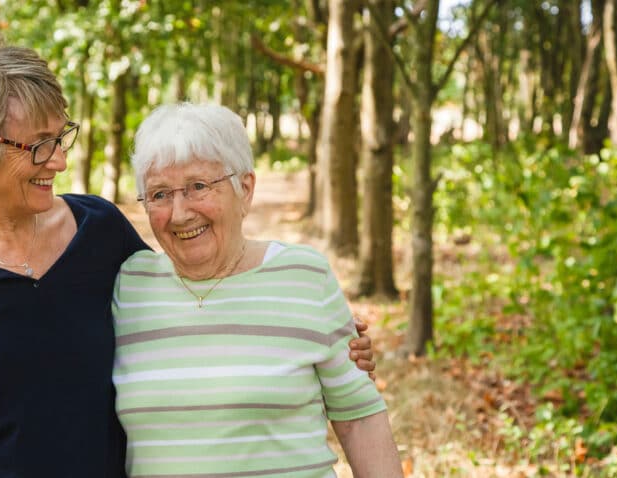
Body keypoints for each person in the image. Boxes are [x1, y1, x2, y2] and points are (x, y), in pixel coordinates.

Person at [0, 38, 378, 478]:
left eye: (60, 137)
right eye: (37, 146)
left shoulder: (99, 232)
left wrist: (320, 329)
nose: (59, 161)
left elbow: (192, 288)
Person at [112, 103, 402, 477]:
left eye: (198, 187)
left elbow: (360, 420)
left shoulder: (303, 277)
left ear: (244, 189)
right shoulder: (129, 286)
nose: (180, 212)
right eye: (160, 194)